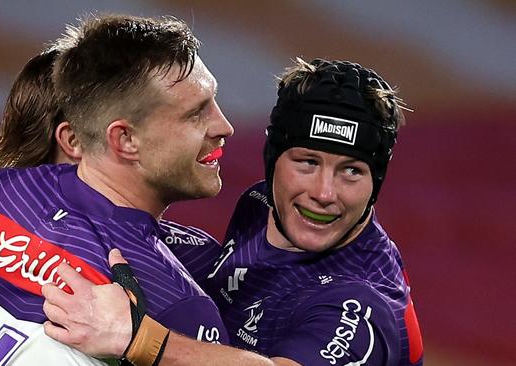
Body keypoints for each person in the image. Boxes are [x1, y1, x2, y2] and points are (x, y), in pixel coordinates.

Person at [0, 14, 233, 366]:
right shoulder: (177, 297)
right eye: (196, 112)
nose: (225, 126)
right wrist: (145, 343)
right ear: (117, 139)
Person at [39, 58, 424, 366]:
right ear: (272, 159)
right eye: (307, 162)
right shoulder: (260, 205)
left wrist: (136, 339)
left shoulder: (360, 305)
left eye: (351, 171)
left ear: (377, 181)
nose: (323, 193)